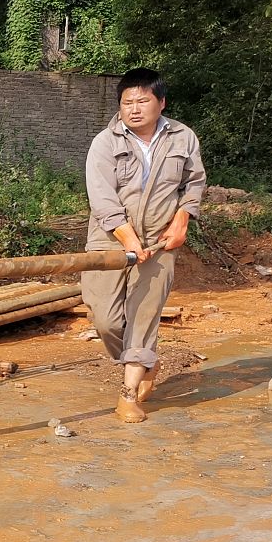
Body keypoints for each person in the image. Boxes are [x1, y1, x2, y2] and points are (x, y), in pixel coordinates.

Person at [82, 68, 206, 423]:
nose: (134, 109)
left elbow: (194, 183)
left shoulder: (183, 137)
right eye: (127, 102)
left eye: (142, 101)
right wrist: (129, 239)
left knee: (144, 314)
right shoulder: (105, 143)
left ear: (161, 102)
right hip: (109, 239)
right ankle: (145, 361)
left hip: (159, 242)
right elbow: (102, 198)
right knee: (105, 319)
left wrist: (182, 220)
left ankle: (128, 394)